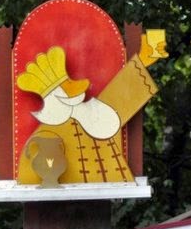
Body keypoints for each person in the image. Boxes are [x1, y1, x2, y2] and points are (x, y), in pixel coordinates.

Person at [15, 32, 167, 184]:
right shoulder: (45, 134)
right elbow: (32, 174)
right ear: (55, 100)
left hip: (115, 184)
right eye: (66, 89)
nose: (76, 92)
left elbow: (123, 95)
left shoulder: (93, 113)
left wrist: (145, 58)